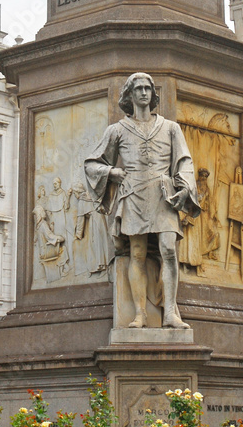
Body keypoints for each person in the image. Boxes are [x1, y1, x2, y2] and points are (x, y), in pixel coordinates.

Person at [84, 72, 200, 328]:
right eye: (138, 89)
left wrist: (185, 187)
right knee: (136, 252)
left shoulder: (171, 128)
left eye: (148, 88)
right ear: (130, 95)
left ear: (153, 93)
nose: (144, 92)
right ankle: (140, 313)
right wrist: (112, 172)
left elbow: (184, 162)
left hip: (163, 193)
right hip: (133, 193)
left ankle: (170, 312)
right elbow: (93, 163)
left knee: (168, 249)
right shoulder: (117, 130)